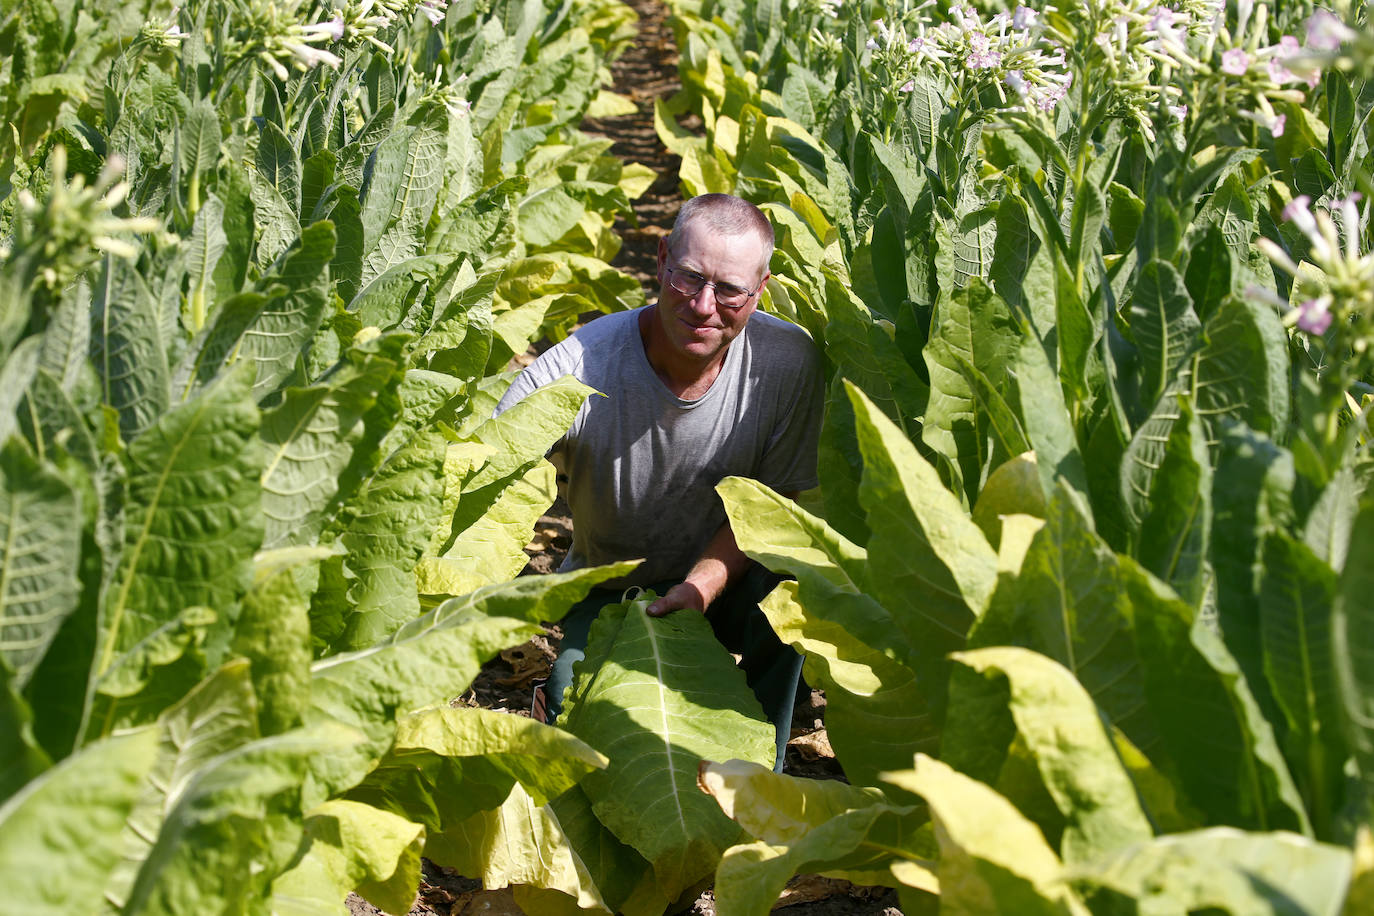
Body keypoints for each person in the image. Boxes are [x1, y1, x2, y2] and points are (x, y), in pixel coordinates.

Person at [494, 193, 824, 769]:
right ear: (661, 260)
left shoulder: (787, 361)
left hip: (729, 584)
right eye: (689, 279)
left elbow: (776, 501)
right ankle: (563, 692)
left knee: (795, 581)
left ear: (760, 289)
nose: (702, 306)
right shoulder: (576, 367)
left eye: (728, 291)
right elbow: (488, 477)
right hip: (611, 593)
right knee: (588, 745)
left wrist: (700, 588)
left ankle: (758, 776)